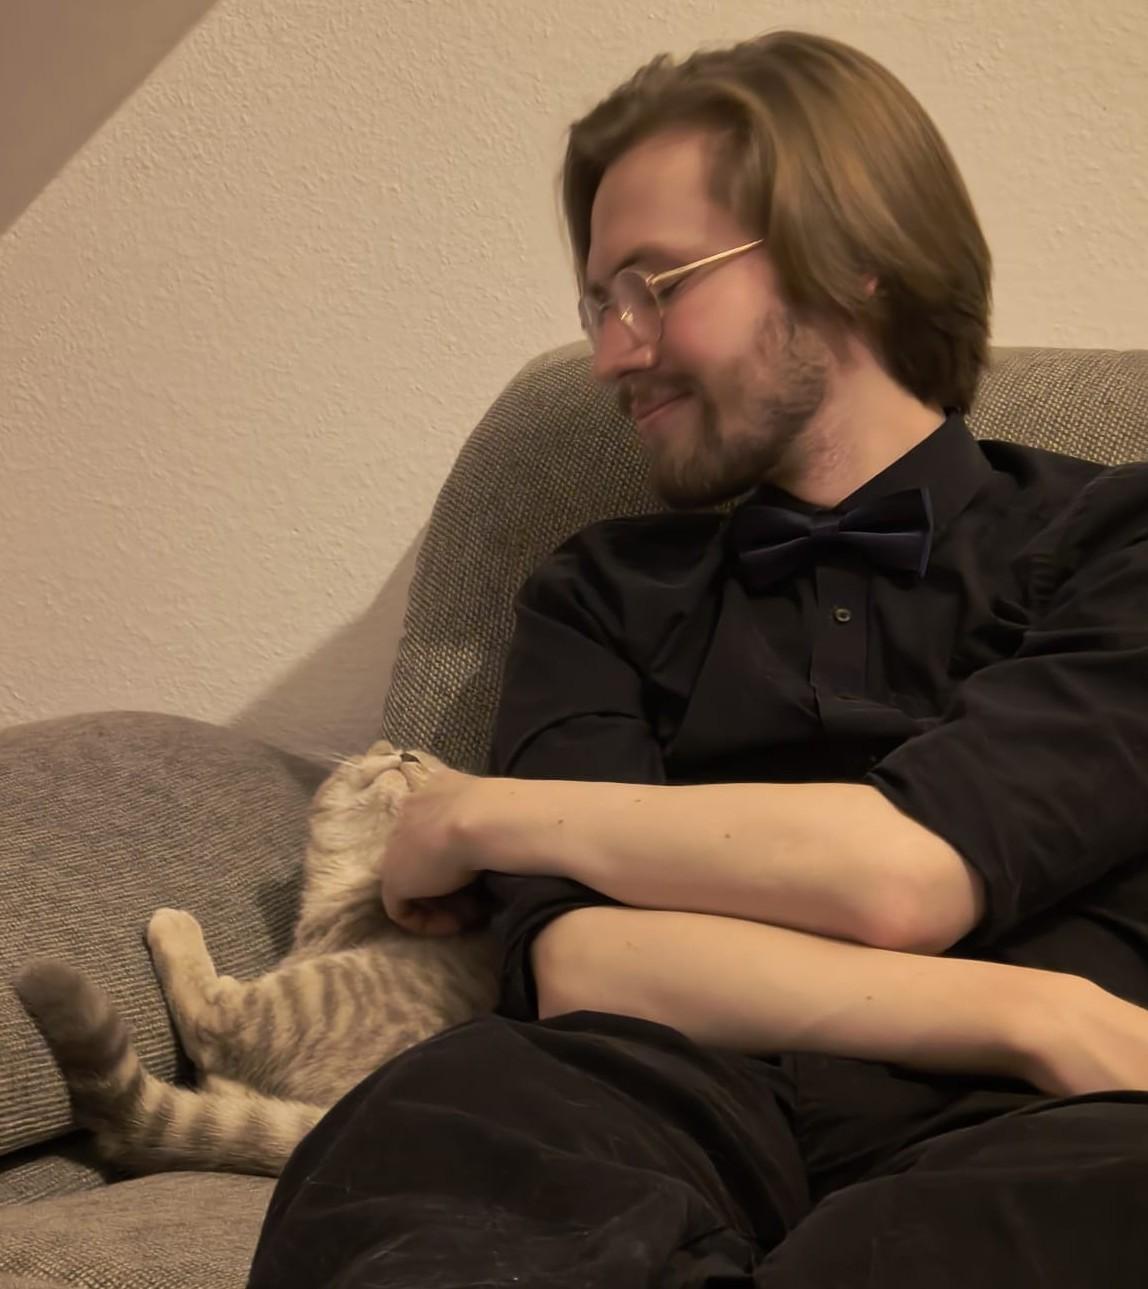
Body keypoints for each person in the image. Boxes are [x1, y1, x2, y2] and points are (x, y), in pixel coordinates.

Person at [247, 29, 1148, 1288]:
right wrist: (1035, 1013)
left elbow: (913, 871)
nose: (613, 352)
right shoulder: (601, 588)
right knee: (416, 1134)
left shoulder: (1117, 535)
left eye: (655, 285)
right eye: (597, 303)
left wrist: (489, 816)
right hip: (674, 1084)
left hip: (1036, 1125)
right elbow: (581, 962)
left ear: (857, 256)